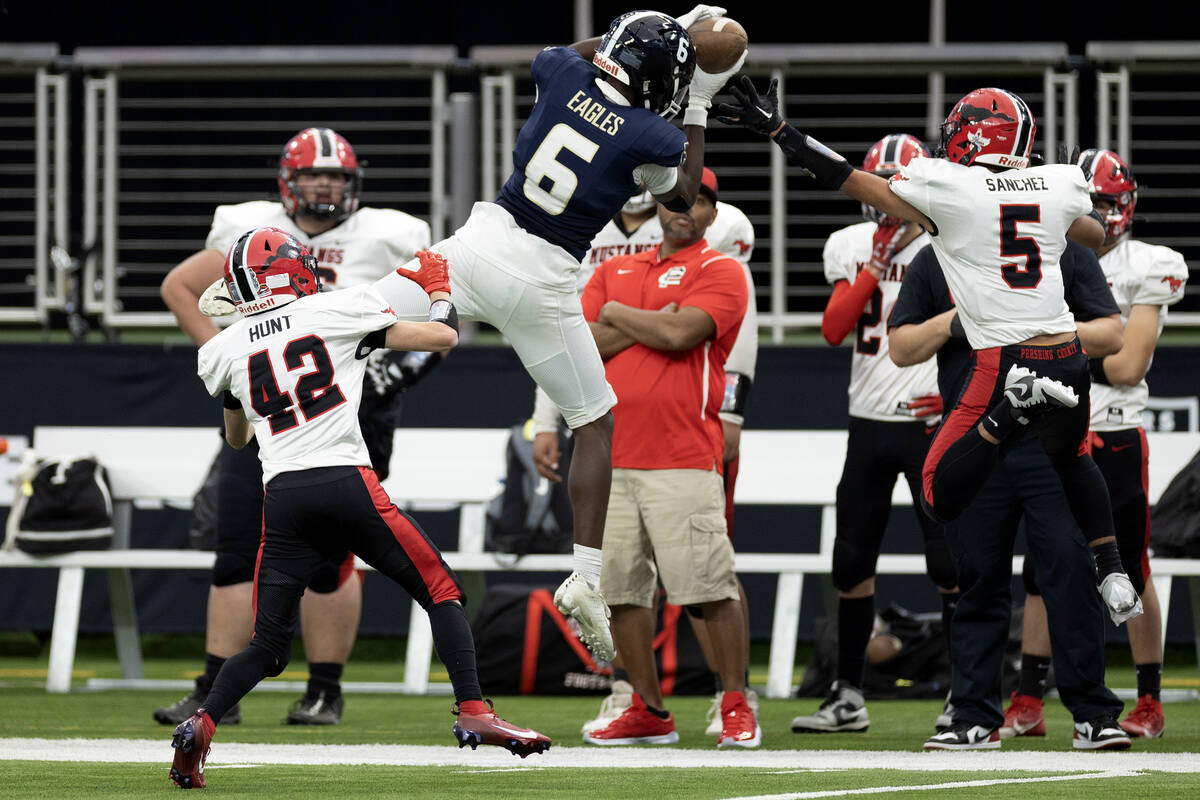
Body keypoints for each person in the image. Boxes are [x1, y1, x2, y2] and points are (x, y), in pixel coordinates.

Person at [370, 7, 747, 661]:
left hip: (477, 248)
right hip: (543, 286)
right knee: (594, 420)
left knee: (356, 317)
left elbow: (584, 49)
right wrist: (701, 101)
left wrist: (663, 27)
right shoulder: (651, 133)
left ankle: (267, 322)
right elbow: (684, 195)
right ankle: (585, 576)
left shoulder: (560, 69)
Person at [715, 80, 1142, 642]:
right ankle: (1112, 570)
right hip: (1065, 356)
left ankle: (1006, 417)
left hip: (1002, 361)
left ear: (972, 135)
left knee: (939, 492)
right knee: (1071, 461)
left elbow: (845, 177)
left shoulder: (947, 186)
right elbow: (1092, 232)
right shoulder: (1059, 182)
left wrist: (779, 130)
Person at [168, 229, 550, 789]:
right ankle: (473, 708)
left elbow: (237, 441)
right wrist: (441, 291)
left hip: (285, 500)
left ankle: (200, 723)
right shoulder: (338, 308)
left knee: (268, 646)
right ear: (295, 272)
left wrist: (246, 380)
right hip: (345, 481)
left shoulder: (225, 347)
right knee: (441, 590)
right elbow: (442, 338)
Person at [156, 127, 437, 726]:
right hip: (269, 413)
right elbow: (180, 285)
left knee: (331, 554)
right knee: (236, 543)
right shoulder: (248, 229)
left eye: (334, 176)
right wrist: (236, 363)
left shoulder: (389, 237)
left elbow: (440, 317)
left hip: (348, 413)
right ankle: (215, 690)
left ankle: (324, 690)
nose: (323, 185)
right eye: (313, 175)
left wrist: (396, 376)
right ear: (289, 181)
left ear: (352, 183)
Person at [530, 171, 761, 738]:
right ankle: (648, 710)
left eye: (699, 201)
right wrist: (654, 322)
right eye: (676, 199)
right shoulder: (612, 268)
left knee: (708, 587)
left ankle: (735, 702)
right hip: (611, 453)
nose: (685, 209)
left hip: (683, 451)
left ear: (712, 212)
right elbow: (579, 342)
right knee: (621, 593)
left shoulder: (723, 269)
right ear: (659, 205)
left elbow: (684, 335)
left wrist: (622, 317)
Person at [890, 236, 1132, 750]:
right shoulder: (939, 254)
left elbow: (1113, 332)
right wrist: (951, 322)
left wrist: (1038, 334)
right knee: (977, 578)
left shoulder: (1058, 248)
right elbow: (900, 347)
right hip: (978, 440)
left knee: (1069, 570)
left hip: (1052, 440)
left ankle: (1092, 711)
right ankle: (974, 714)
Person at [1004, 149, 1188, 741]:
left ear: (1127, 205)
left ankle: (1150, 699)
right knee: (1042, 568)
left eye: (1108, 203)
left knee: (1130, 567)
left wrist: (1052, 349)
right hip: (1052, 429)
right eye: (1090, 203)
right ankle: (1028, 698)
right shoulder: (1041, 254)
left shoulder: (1147, 264)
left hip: (1112, 433)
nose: (1100, 215)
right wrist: (1078, 349)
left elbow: (1130, 364)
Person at [790, 134, 960, 735]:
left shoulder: (950, 243)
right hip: (869, 423)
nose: (887, 203)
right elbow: (835, 328)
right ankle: (848, 694)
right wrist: (878, 262)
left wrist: (959, 395)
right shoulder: (852, 245)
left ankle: (963, 695)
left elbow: (979, 324)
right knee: (852, 562)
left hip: (932, 424)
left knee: (949, 563)